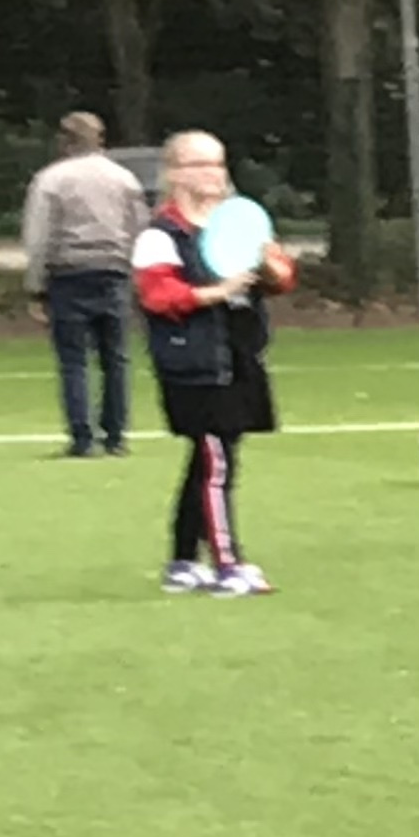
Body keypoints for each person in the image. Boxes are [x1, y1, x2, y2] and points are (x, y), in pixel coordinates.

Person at [129, 133, 297, 592]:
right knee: (216, 464)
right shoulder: (161, 235)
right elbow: (159, 296)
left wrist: (269, 268)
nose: (213, 174)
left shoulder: (238, 223)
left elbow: (282, 275)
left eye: (218, 164)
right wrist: (216, 292)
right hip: (194, 361)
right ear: (175, 173)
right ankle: (228, 564)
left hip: (238, 355)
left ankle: (183, 561)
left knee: (210, 462)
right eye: (200, 164)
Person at [22, 110, 145, 461]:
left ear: (65, 140)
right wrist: (139, 276)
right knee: (116, 358)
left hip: (69, 274)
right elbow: (139, 228)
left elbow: (38, 237)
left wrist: (36, 286)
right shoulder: (124, 178)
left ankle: (82, 437)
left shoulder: (51, 179)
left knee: (73, 360)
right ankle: (116, 435)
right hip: (114, 272)